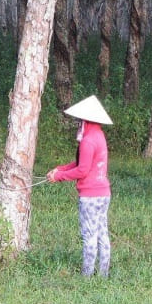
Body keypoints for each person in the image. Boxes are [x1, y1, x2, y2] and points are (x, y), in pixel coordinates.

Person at [46, 95, 113, 278]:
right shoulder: (98, 135)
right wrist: (59, 169)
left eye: (80, 120)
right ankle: (103, 274)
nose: (78, 123)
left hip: (90, 196)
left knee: (89, 235)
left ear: (86, 120)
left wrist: (59, 177)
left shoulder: (88, 140)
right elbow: (82, 163)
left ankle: (86, 276)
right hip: (104, 193)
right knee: (101, 233)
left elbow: (82, 170)